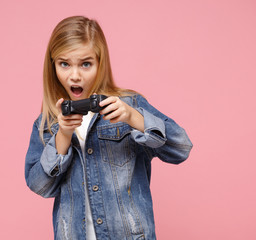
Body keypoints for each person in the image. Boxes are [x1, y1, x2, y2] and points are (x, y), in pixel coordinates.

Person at [25, 16, 193, 240]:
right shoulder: (47, 124)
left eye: (86, 64)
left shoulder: (130, 106)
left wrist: (134, 118)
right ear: (53, 64)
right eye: (64, 63)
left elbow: (181, 147)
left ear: (100, 63)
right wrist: (63, 137)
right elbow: (39, 186)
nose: (75, 75)